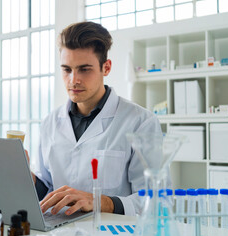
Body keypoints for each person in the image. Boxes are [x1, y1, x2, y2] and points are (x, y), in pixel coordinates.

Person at [30, 21, 162, 216]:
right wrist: (26, 178)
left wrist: (101, 202)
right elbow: (47, 185)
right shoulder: (50, 122)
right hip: (59, 231)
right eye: (67, 69)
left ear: (106, 68)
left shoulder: (141, 122)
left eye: (84, 69)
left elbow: (154, 199)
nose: (73, 80)